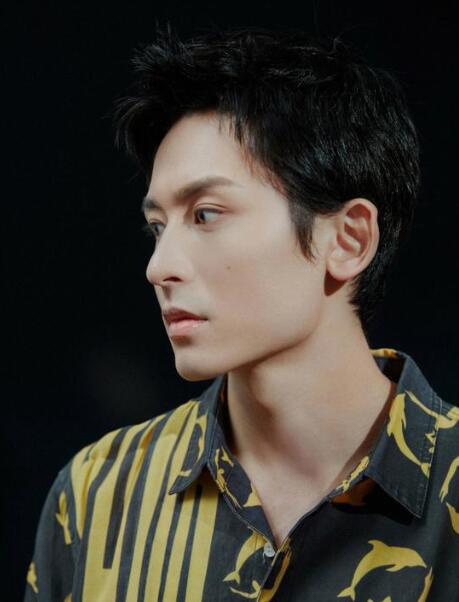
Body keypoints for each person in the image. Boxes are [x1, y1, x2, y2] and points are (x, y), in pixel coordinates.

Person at [24, 24, 458, 601]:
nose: (159, 267)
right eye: (157, 227)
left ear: (348, 239)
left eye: (206, 214)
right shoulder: (96, 496)